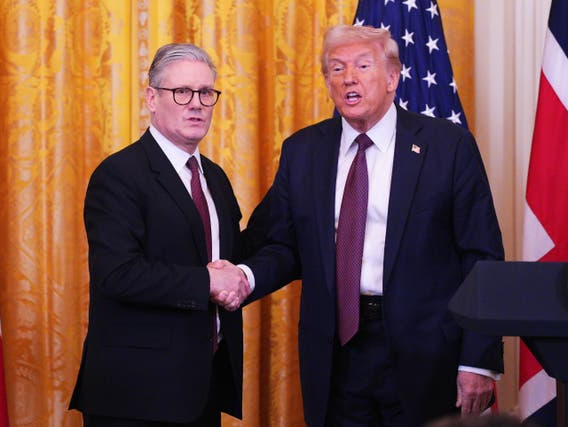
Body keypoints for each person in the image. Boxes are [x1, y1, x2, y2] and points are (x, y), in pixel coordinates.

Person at [220, 24, 505, 426]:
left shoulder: (448, 146)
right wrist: (239, 276)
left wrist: (479, 359)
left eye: (362, 65)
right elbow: (279, 244)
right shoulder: (303, 151)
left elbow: (482, 256)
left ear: (392, 78)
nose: (348, 77)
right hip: (336, 354)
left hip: (427, 356)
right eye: (336, 69)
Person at [69, 43, 250, 426]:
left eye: (205, 93)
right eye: (181, 92)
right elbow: (117, 273)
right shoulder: (119, 174)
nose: (196, 104)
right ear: (152, 98)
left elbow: (229, 257)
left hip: (202, 389)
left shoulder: (214, 177)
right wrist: (208, 281)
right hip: (136, 397)